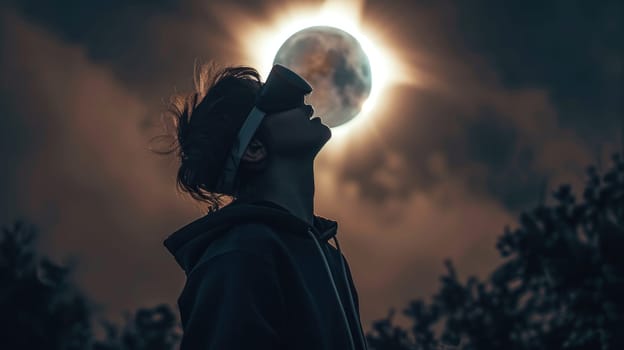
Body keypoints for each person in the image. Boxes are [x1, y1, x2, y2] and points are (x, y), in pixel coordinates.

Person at [162, 63, 368, 349]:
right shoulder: (238, 255)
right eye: (277, 101)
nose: (303, 101)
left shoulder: (331, 258)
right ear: (253, 149)